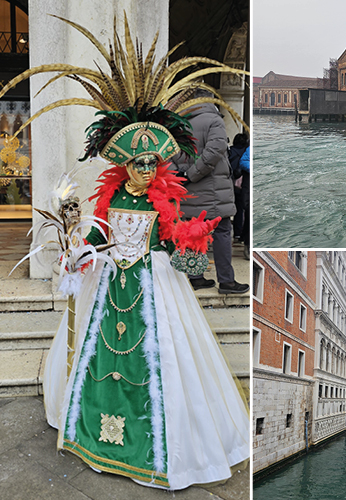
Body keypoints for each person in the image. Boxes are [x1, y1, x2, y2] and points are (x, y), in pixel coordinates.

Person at [0, 15, 252, 489]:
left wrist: (192, 242)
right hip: (109, 282)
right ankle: (92, 431)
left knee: (165, 364)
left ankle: (159, 446)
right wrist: (78, 252)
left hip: (155, 284)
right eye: (133, 162)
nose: (141, 170)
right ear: (121, 163)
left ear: (158, 163)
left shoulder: (166, 196)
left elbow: (174, 238)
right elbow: (99, 233)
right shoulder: (112, 196)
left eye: (149, 162)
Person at [173, 88, 249, 294]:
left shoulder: (177, 123)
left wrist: (181, 177)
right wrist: (192, 174)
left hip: (188, 191)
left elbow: (168, 154)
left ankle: (195, 277)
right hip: (213, 190)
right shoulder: (214, 120)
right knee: (223, 231)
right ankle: (226, 281)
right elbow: (214, 152)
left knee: (193, 232)